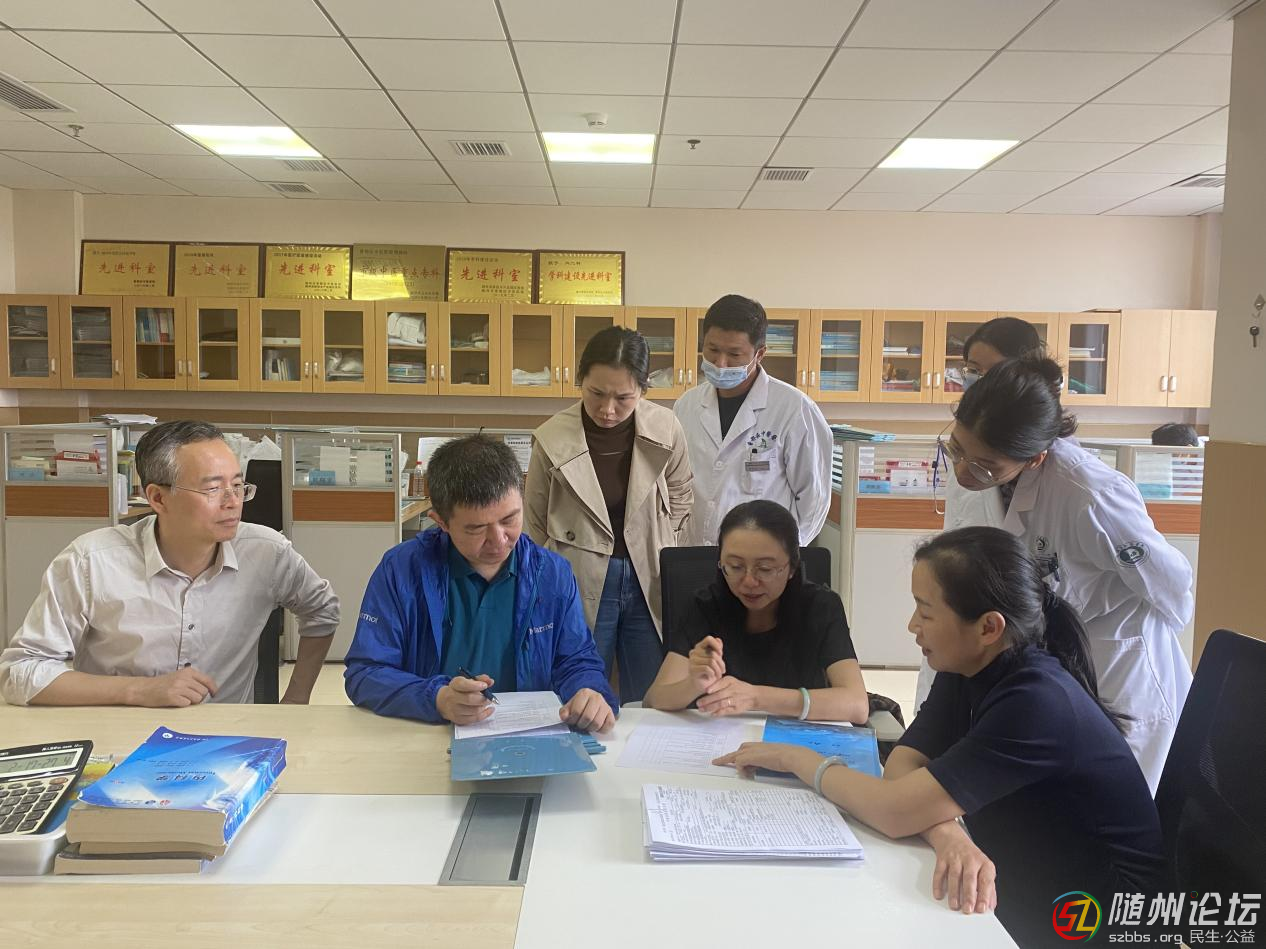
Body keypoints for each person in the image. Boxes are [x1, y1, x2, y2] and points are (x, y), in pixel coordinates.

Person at [715, 527, 1164, 948]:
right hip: (1027, 875)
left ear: (988, 627)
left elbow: (892, 810)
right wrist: (945, 830)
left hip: (1095, 915)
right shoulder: (970, 664)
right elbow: (902, 766)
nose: (913, 625)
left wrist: (797, 759)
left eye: (926, 612)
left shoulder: (1036, 702)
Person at [929, 355, 1193, 792]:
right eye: (957, 450)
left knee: (1118, 794)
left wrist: (1144, 639)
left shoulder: (1091, 495)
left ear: (1035, 458)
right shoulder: (985, 473)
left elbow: (1171, 582)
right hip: (1057, 654)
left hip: (1119, 661)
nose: (963, 472)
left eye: (985, 466)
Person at [0, 420, 339, 707]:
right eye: (213, 489)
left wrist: (296, 699)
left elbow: (323, 610)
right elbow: (20, 673)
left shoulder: (266, 552)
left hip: (225, 739)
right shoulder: (91, 561)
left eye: (238, 486)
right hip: (118, 736)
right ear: (158, 498)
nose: (233, 502)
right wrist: (139, 690)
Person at [344, 434, 617, 731]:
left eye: (509, 519)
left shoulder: (552, 573)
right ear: (441, 522)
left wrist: (589, 692)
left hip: (529, 736)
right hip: (429, 733)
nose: (499, 540)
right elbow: (365, 672)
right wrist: (436, 698)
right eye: (476, 528)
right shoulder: (402, 570)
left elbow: (577, 661)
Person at [525, 326, 693, 702]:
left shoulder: (666, 428)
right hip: (579, 575)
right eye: (596, 393)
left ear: (643, 390)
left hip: (648, 572)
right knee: (581, 687)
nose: (607, 409)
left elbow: (682, 495)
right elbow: (534, 521)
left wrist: (662, 539)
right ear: (580, 380)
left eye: (623, 398)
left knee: (651, 690)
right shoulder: (551, 438)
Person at [917, 316, 1045, 711]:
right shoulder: (969, 446)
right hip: (963, 621)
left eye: (990, 371)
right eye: (972, 370)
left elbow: (1170, 589)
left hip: (1008, 634)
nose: (978, 381)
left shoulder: (1071, 481)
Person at [644, 500, 868, 723]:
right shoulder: (705, 607)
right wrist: (693, 684)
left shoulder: (821, 607)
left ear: (792, 567)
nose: (749, 581)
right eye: (735, 567)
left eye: (765, 569)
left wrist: (756, 697)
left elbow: (857, 705)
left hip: (797, 739)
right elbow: (653, 700)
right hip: (723, 738)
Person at [673, 294, 833, 546]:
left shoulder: (795, 409)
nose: (720, 363)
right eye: (712, 350)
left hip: (763, 556)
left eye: (734, 354)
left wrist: (787, 554)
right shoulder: (686, 405)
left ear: (760, 354)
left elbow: (814, 498)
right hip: (693, 551)